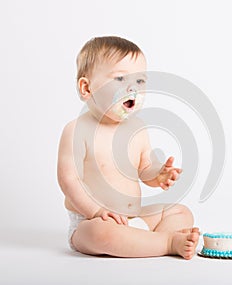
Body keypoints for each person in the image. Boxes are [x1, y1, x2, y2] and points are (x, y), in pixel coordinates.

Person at [57, 36, 200, 259]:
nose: (132, 87)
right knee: (103, 234)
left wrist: (159, 174)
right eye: (120, 78)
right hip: (91, 222)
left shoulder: (137, 129)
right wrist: (97, 211)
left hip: (133, 219)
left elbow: (145, 168)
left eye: (140, 81)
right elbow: (69, 181)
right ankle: (167, 242)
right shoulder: (77, 130)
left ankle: (143, 242)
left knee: (180, 212)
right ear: (87, 88)